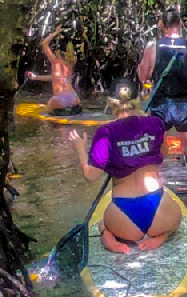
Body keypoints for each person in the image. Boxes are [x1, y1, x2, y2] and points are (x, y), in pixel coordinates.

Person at [68, 81, 180, 254]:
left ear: (110, 103)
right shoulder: (155, 123)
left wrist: (80, 147)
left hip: (124, 215)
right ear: (138, 99)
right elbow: (163, 153)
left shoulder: (105, 133)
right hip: (159, 209)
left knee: (102, 223)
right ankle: (161, 236)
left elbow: (91, 175)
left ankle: (108, 236)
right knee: (176, 220)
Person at [136, 6, 187, 176]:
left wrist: (150, 72)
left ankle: (158, 177)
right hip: (183, 106)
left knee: (157, 147)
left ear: (161, 24)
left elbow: (142, 77)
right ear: (181, 24)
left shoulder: (152, 47)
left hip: (160, 106)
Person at [28, 29, 80, 113]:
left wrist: (56, 32)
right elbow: (55, 78)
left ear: (58, 51)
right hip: (74, 98)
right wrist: (36, 77)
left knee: (45, 114)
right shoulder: (71, 62)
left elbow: (44, 43)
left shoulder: (55, 61)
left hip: (58, 100)